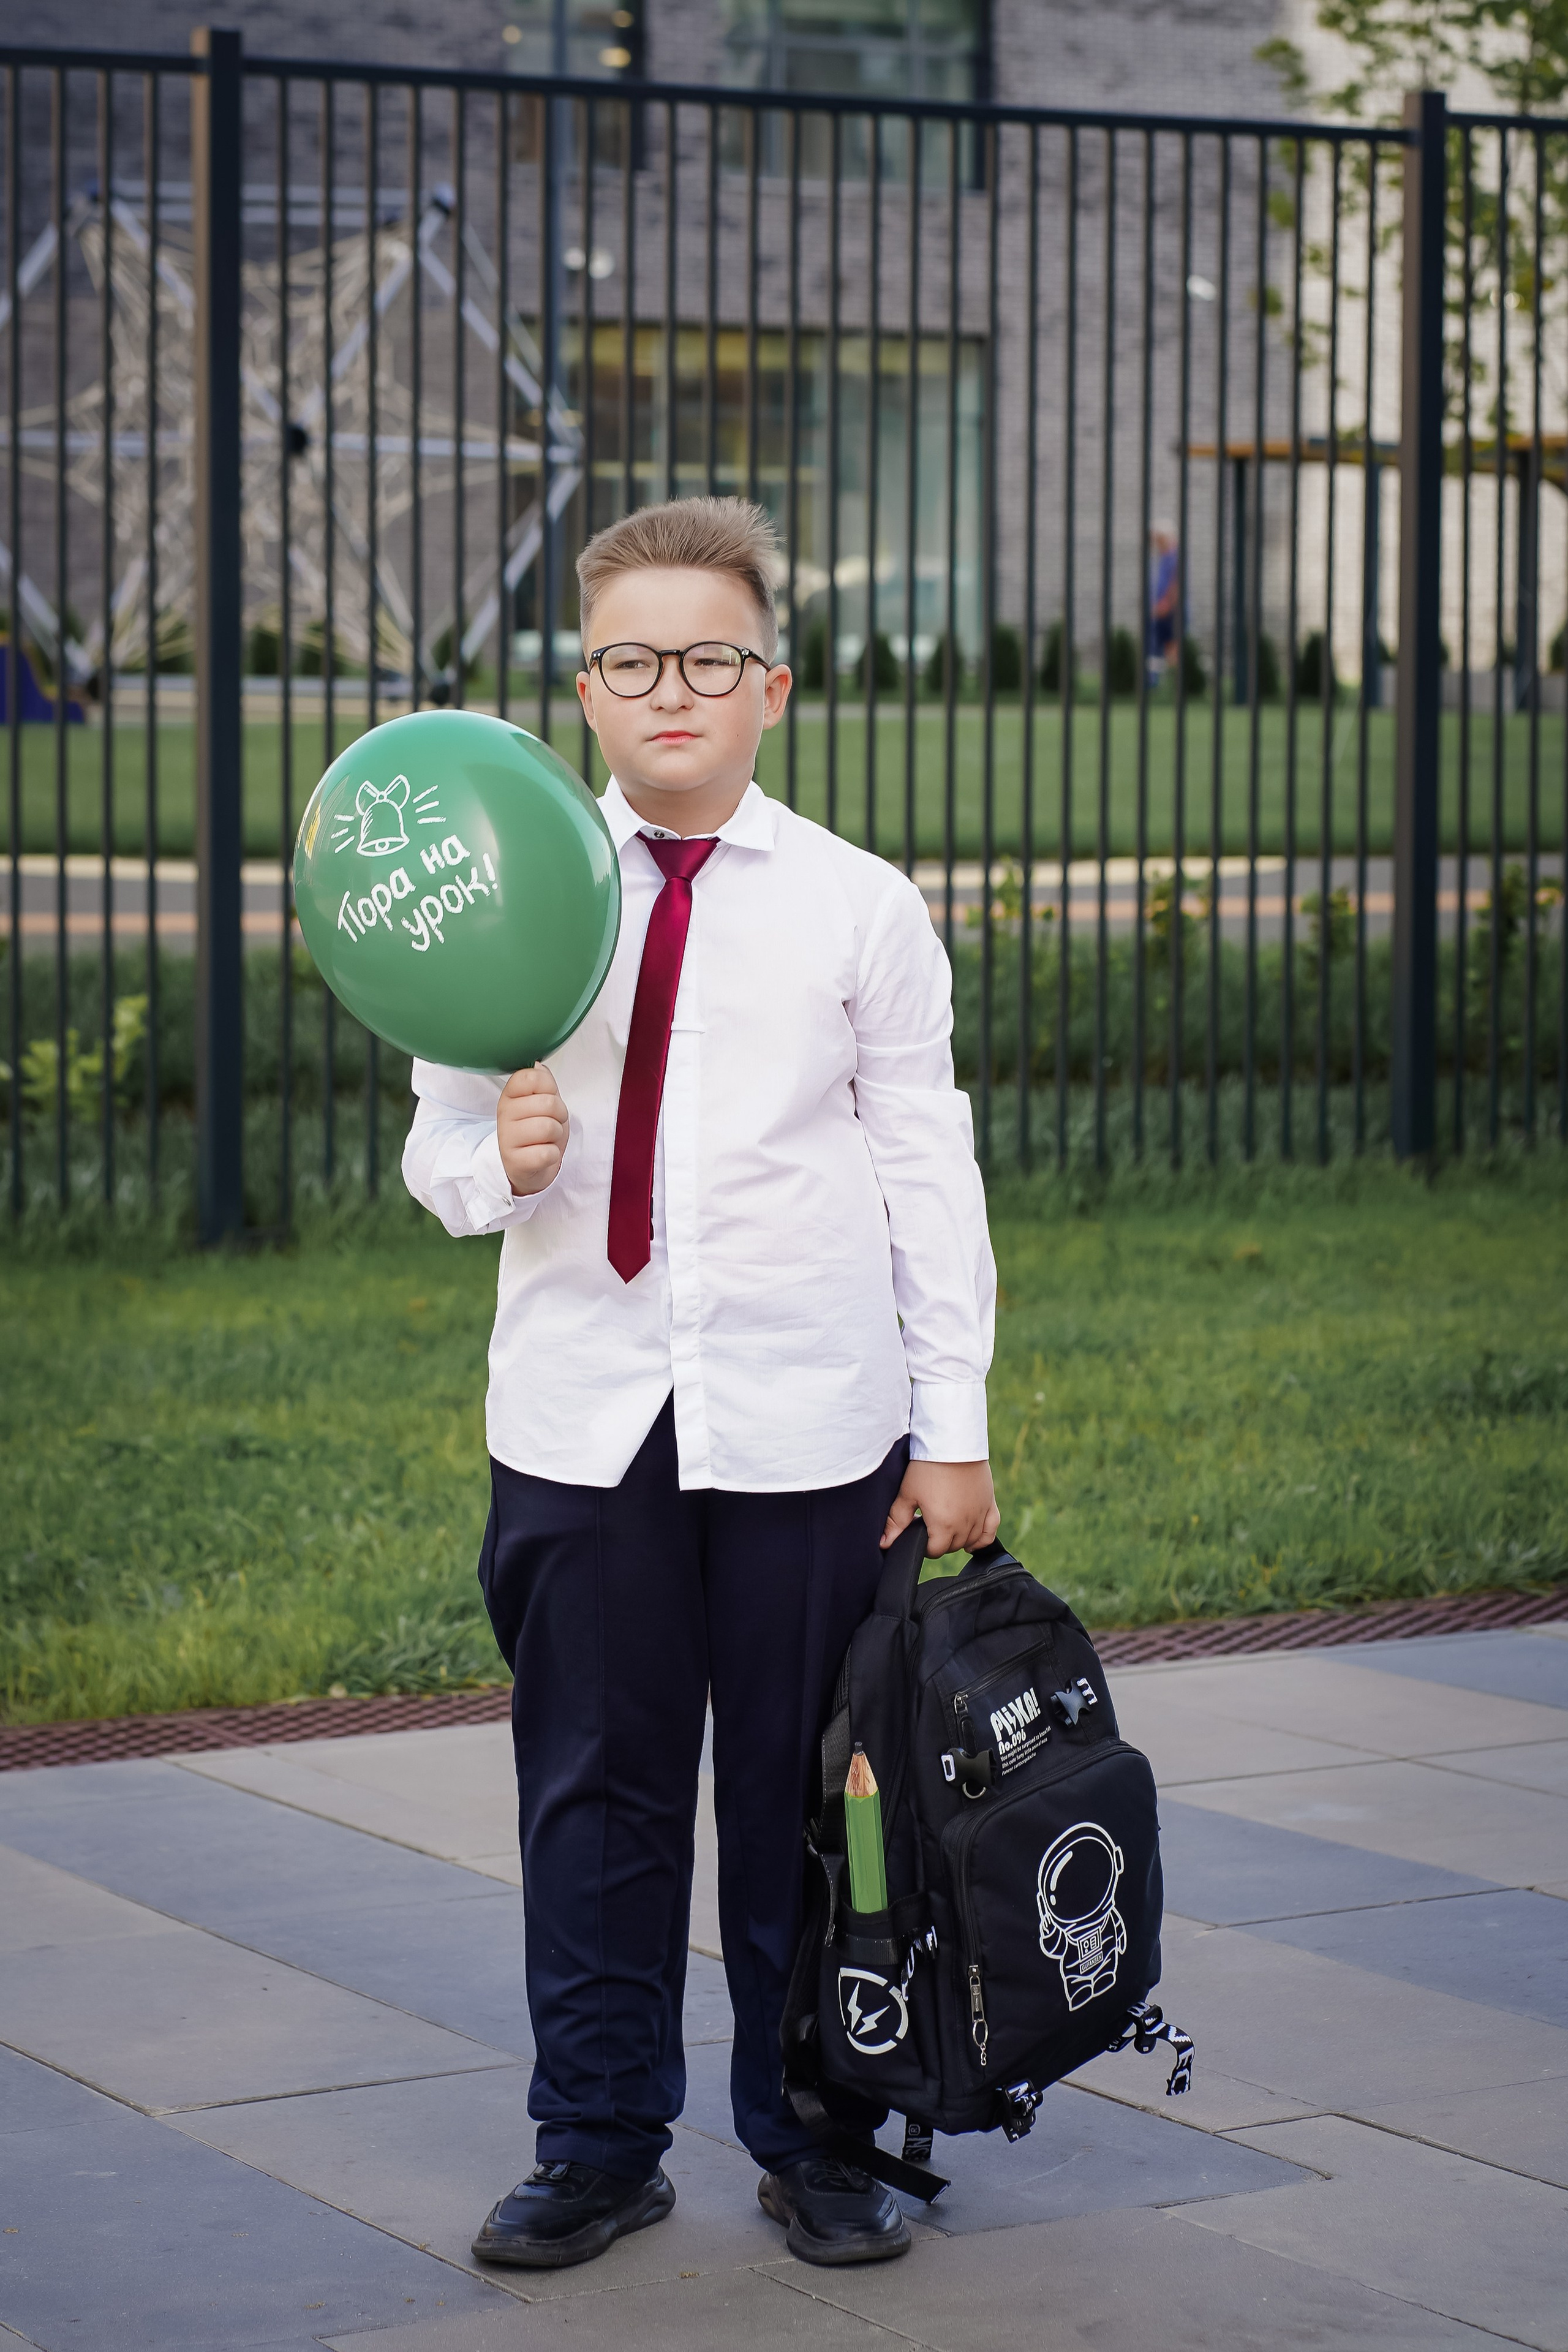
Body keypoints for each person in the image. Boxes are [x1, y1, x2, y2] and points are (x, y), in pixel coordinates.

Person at [402, 496, 997, 2274]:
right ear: (587, 689)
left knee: (819, 1795)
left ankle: (823, 2126)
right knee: (596, 1780)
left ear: (774, 687)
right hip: (585, 1419)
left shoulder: (856, 910)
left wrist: (951, 1426)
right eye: (636, 659)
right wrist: (493, 1164)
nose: (676, 689)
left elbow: (926, 1170)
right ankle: (595, 2136)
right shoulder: (506, 898)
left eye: (712, 659)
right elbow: (436, 1151)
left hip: (812, 1417)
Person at [1147, 519, 1180, 689]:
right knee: (1162, 647)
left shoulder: (1174, 556)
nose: (1155, 542)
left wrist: (1165, 604)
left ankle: (1175, 683)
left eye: (1158, 538)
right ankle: (1156, 682)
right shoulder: (1164, 557)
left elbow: (1176, 583)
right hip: (1162, 609)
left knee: (1172, 645)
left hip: (1170, 611)